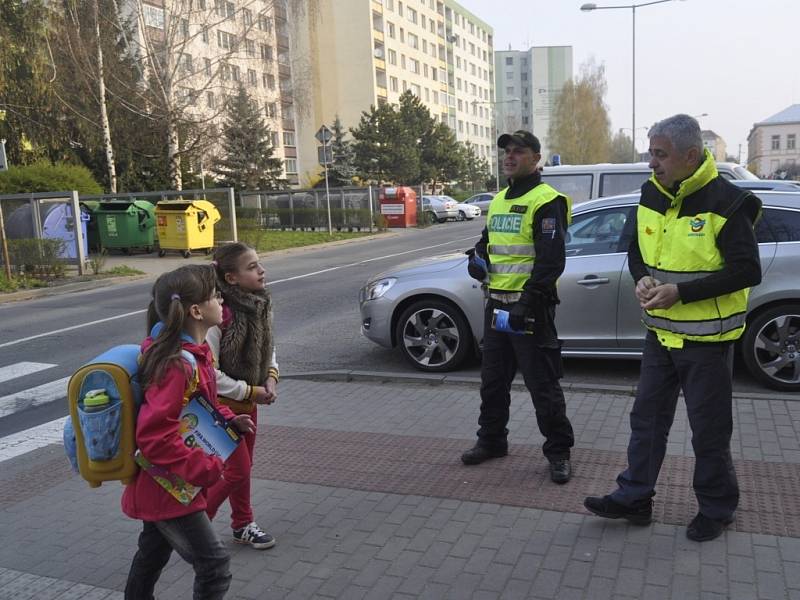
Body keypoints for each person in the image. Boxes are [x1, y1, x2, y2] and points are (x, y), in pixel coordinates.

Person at [584, 114, 762, 542]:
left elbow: (747, 271)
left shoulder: (728, 202)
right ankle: (634, 498)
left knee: (709, 430)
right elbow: (635, 248)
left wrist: (681, 293)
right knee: (646, 420)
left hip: (707, 342)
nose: (651, 162)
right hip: (659, 335)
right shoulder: (651, 193)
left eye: (660, 154)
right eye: (650, 152)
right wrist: (642, 275)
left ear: (691, 156)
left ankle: (717, 509)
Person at [123, 264, 256, 600]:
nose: (222, 302)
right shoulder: (177, 364)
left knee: (151, 555)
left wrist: (228, 421)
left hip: (166, 483)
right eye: (215, 296)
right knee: (215, 566)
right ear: (196, 310)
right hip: (169, 487)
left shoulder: (194, 357)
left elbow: (197, 406)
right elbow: (154, 436)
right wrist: (204, 468)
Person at [461, 130, 575, 484]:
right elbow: (487, 243)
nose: (509, 157)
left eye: (519, 151)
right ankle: (492, 441)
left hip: (530, 310)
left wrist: (528, 302)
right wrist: (476, 258)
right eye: (507, 152)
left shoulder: (547, 201)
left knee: (543, 385)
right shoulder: (498, 201)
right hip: (496, 306)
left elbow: (551, 261)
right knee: (493, 382)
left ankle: (559, 452)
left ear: (536, 158)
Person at [204, 242, 279, 550]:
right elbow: (208, 373)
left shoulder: (261, 304)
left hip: (250, 402)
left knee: (243, 469)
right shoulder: (217, 314)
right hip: (221, 409)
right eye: (252, 267)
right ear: (231, 278)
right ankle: (193, 526)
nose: (261, 271)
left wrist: (271, 378)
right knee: (236, 469)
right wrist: (250, 390)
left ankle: (242, 524)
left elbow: (268, 346)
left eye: (259, 264)